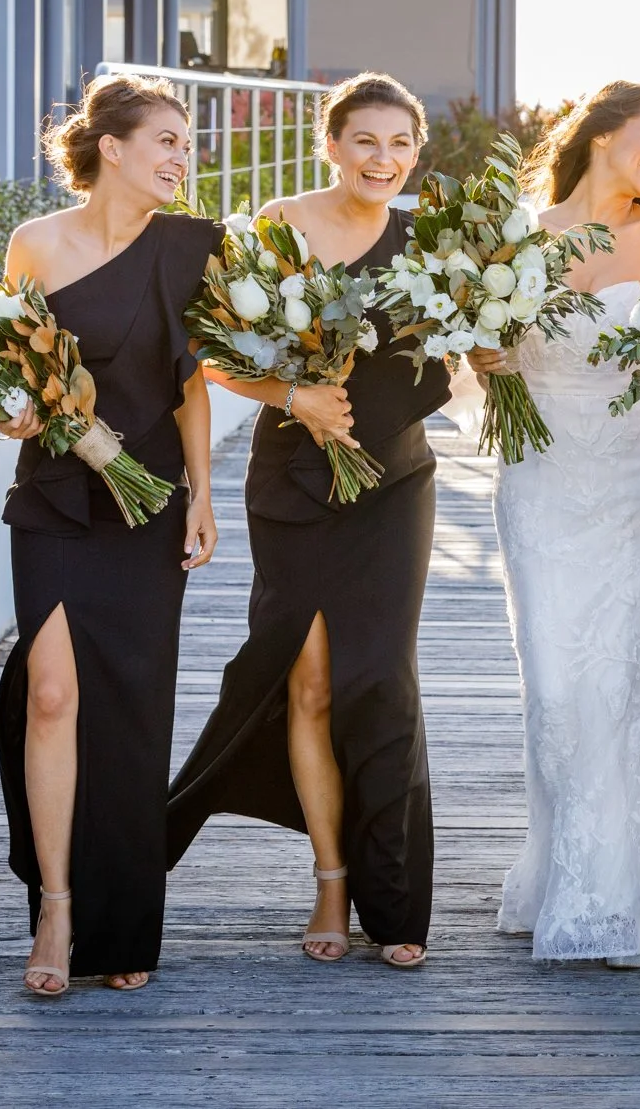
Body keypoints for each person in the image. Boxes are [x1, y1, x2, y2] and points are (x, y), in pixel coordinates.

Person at [167, 73, 445, 968]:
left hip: (394, 483)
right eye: (366, 140)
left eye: (401, 144)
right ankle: (331, 880)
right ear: (333, 145)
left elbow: (467, 345)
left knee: (383, 681)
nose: (385, 160)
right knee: (310, 682)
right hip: (292, 478)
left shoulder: (432, 239)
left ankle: (394, 898)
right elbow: (206, 351)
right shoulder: (274, 226)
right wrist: (294, 394)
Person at [0, 74, 221, 994]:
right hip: (52, 495)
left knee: (130, 705)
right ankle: (55, 906)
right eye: (165, 139)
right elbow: (10, 374)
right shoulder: (33, 245)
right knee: (53, 695)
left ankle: (121, 915)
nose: (180, 157)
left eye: (185, 143)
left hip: (146, 499)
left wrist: (200, 493)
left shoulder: (195, 246)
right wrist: (17, 414)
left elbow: (191, 384)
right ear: (112, 147)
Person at [468, 82, 640, 968]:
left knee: (630, 680)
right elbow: (485, 357)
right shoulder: (516, 235)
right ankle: (564, 865)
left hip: (637, 477)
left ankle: (614, 892)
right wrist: (484, 356)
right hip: (542, 477)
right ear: (601, 134)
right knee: (558, 684)